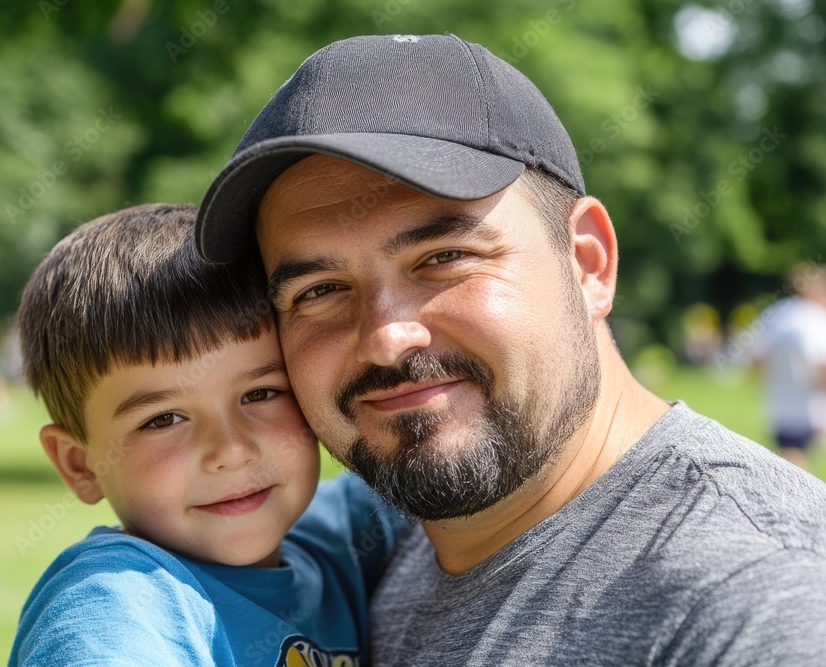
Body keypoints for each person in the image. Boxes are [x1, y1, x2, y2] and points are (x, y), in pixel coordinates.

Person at [195, 34, 826, 665]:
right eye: (321, 290)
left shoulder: (761, 604)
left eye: (444, 258)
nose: (387, 338)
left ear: (588, 264)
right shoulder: (373, 558)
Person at [8, 203, 403, 666]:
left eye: (260, 394)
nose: (231, 451)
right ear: (80, 464)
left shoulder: (338, 547)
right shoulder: (116, 599)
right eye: (163, 419)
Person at [750, 263, 826, 469]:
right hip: (809, 406)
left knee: (791, 457)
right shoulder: (816, 318)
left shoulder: (774, 314)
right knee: (796, 464)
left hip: (779, 406)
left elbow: (756, 362)